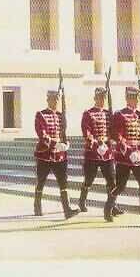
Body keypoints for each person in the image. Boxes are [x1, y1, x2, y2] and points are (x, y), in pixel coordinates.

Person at [105, 87, 140, 228]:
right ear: (128, 98)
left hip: (139, 155)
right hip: (125, 157)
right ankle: (109, 205)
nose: (135, 101)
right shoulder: (120, 114)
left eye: (137, 98)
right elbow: (117, 135)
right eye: (133, 98)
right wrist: (127, 150)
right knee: (121, 186)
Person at [33, 90, 79, 220]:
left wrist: (66, 143)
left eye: (57, 100)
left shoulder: (60, 115)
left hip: (59, 156)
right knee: (41, 181)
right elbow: (42, 135)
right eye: (53, 100)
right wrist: (55, 144)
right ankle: (37, 206)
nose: (55, 102)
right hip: (45, 155)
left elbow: (63, 133)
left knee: (63, 183)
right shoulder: (41, 115)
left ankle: (67, 210)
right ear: (48, 100)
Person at [78, 87, 124, 217]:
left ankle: (112, 206)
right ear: (95, 98)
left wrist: (110, 139)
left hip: (107, 153)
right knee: (89, 180)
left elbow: (113, 131)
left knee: (111, 181)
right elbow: (86, 130)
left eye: (103, 98)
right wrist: (95, 140)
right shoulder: (88, 113)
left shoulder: (109, 114)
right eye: (99, 97)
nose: (102, 100)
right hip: (93, 153)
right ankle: (82, 200)